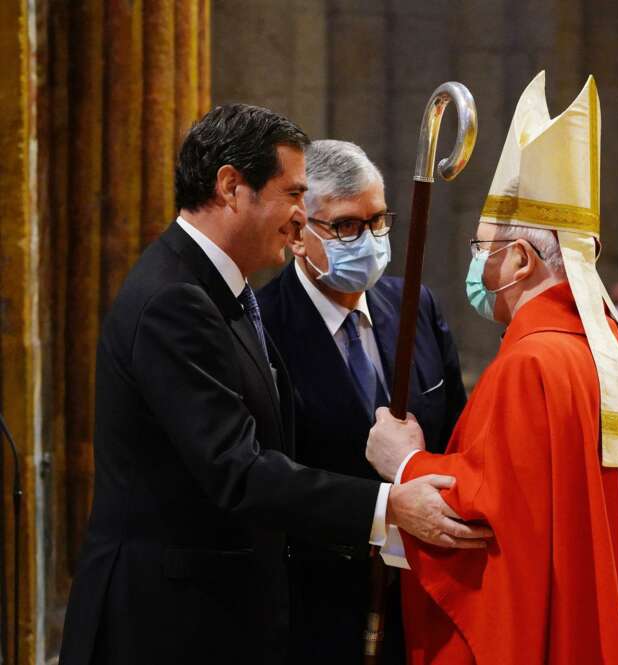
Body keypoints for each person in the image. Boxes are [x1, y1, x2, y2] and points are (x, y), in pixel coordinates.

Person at [58, 104, 489, 665]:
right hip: (168, 621)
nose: (297, 218)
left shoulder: (215, 286)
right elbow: (237, 468)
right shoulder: (176, 299)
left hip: (225, 612)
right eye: (291, 195)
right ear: (232, 187)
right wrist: (388, 504)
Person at [366, 72, 618, 665]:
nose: (478, 266)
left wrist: (406, 462)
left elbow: (482, 520)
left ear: (519, 259)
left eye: (482, 248)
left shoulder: (532, 363)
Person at [256, 140, 466, 663]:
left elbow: (458, 431)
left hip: (423, 592)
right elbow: (266, 475)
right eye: (346, 226)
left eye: (378, 221)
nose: (369, 239)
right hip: (314, 602)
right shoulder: (259, 326)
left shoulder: (414, 302)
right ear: (299, 231)